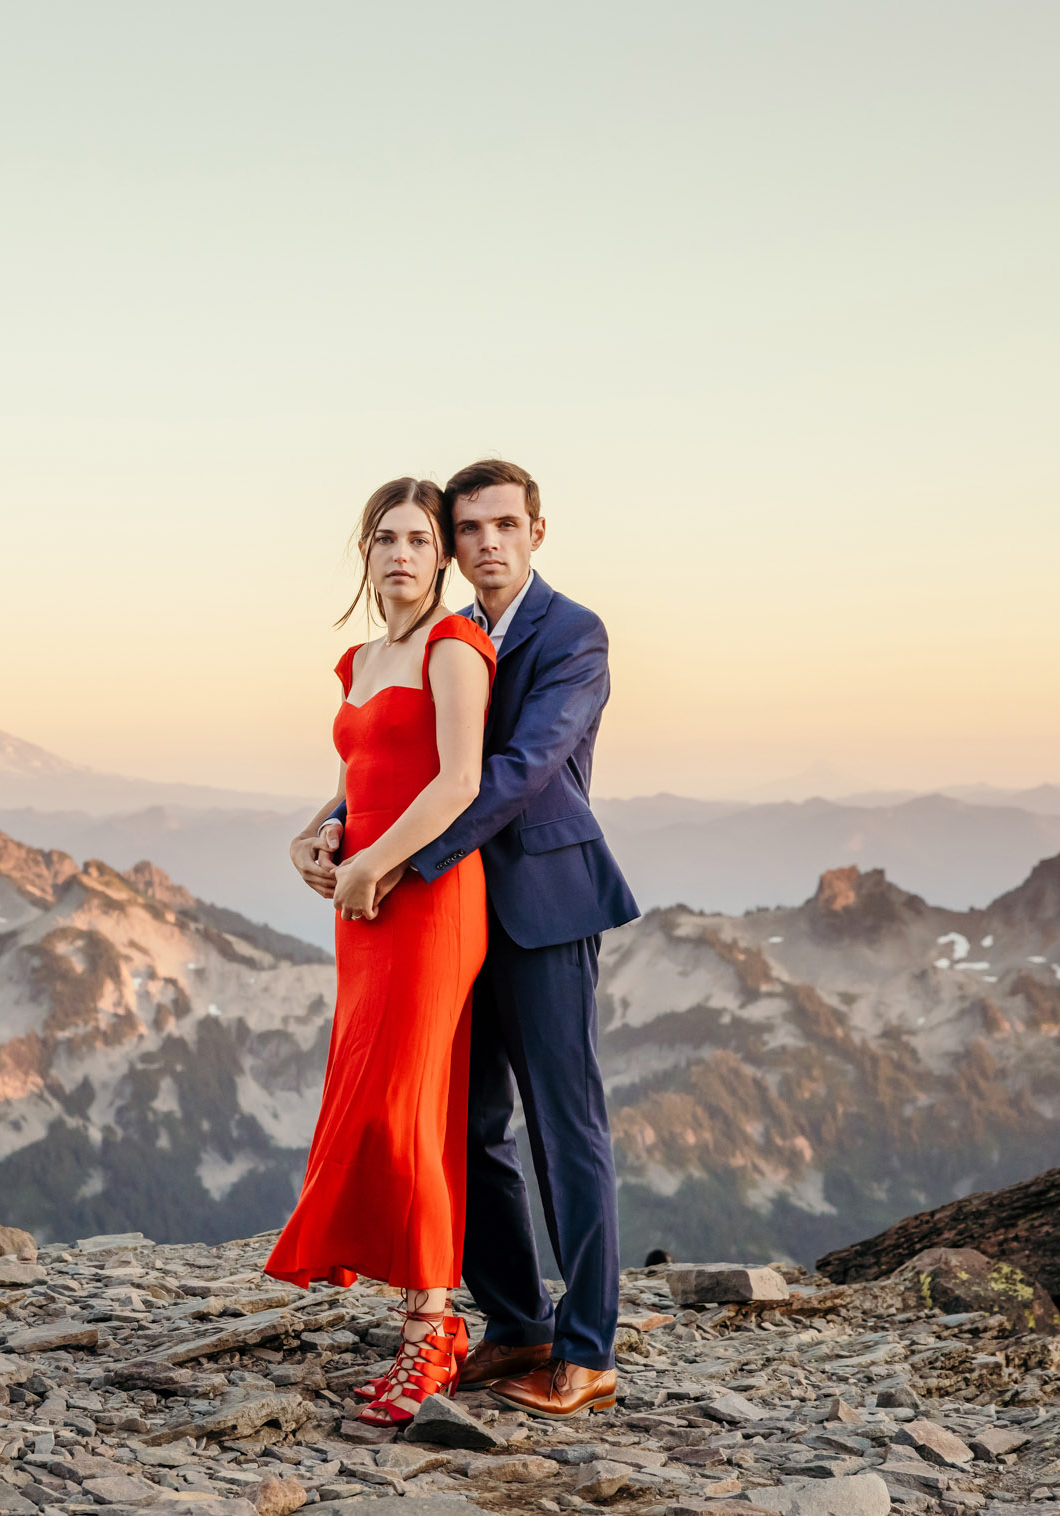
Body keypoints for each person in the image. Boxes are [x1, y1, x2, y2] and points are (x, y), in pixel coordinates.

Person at [292, 458, 639, 1420]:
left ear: (535, 532)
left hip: (542, 903)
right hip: (457, 908)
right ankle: (516, 1321)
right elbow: (403, 757)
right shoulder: (447, 635)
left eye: (504, 525)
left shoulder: (571, 633)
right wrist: (337, 827)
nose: (486, 541)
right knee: (471, 1127)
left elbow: (518, 769)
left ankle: (588, 1350)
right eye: (470, 527)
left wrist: (394, 861)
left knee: (565, 1129)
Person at [264, 477, 496, 1426]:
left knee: (409, 1109)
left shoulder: (454, 647)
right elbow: (362, 771)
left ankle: (433, 1331)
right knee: (375, 1098)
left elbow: (458, 783)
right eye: (385, 539)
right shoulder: (359, 660)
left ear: (441, 556)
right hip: (365, 905)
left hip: (428, 900)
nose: (401, 554)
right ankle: (423, 1315)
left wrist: (372, 869)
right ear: (364, 553)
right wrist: (314, 835)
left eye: (419, 539)